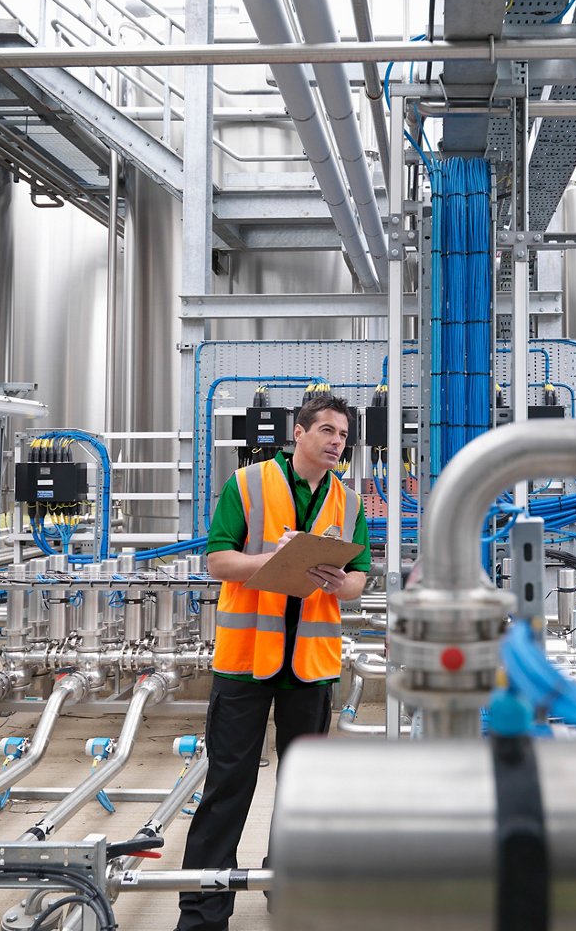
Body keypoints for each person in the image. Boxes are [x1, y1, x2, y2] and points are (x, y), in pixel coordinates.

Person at [175, 393, 370, 931]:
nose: (337, 441)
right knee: (228, 786)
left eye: (344, 435)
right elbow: (218, 558)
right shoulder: (248, 484)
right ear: (299, 434)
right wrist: (271, 561)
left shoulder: (349, 502)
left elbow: (358, 577)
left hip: (309, 665)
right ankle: (203, 915)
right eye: (327, 430)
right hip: (246, 662)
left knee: (301, 788)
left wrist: (340, 580)